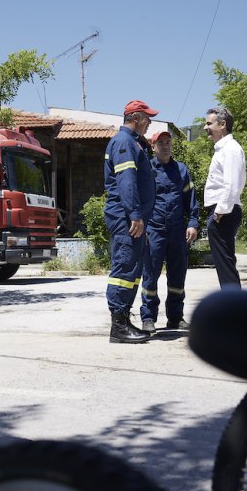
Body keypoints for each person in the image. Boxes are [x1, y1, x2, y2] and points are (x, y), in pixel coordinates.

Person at [103, 100, 157, 344]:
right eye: (147, 118)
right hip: (126, 217)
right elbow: (126, 181)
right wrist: (134, 214)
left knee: (131, 269)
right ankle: (119, 326)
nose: (149, 122)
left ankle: (124, 320)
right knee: (124, 268)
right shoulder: (124, 142)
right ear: (136, 117)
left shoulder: (132, 142)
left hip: (132, 217)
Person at [139, 130, 199, 333]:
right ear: (153, 147)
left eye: (168, 142)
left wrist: (192, 222)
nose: (165, 145)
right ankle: (148, 317)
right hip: (153, 230)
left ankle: (175, 317)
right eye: (161, 142)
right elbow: (138, 199)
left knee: (177, 276)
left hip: (177, 230)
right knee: (150, 275)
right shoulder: (145, 169)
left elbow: (190, 199)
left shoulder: (181, 170)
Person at [203, 106, 246, 289]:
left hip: (223, 213)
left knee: (226, 266)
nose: (205, 128)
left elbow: (231, 184)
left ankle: (235, 312)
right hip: (222, 212)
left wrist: (220, 211)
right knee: (224, 265)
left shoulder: (231, 149)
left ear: (222, 124)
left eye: (209, 123)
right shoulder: (223, 149)